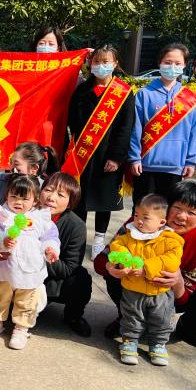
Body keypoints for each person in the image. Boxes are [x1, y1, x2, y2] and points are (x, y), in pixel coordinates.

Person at [96, 181, 196, 352]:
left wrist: (178, 282)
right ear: (166, 207)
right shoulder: (139, 223)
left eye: (191, 213)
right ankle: (127, 318)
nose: (182, 216)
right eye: (177, 208)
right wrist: (111, 267)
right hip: (133, 286)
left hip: (169, 295)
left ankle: (188, 329)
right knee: (114, 278)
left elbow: (183, 300)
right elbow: (100, 261)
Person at [64, 45, 135, 259]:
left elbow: (126, 128)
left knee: (104, 200)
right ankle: (78, 238)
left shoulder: (124, 92)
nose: (100, 66)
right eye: (96, 61)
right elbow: (73, 121)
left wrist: (117, 157)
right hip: (83, 154)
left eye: (106, 62)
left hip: (108, 156)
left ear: (115, 64)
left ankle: (99, 240)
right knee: (80, 199)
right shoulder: (82, 90)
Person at [0, 175, 60, 350]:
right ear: (6, 195)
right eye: (14, 196)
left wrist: (50, 249)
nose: (18, 202)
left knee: (27, 299)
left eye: (25, 198)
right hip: (5, 267)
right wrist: (2, 240)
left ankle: (21, 328)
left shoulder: (41, 218)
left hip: (31, 269)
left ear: (35, 199)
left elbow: (50, 237)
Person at [108, 194, 183, 366]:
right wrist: (124, 260)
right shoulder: (129, 235)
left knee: (161, 318)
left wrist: (146, 268)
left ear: (161, 222)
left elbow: (172, 259)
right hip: (133, 289)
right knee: (131, 317)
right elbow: (116, 246)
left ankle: (158, 344)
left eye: (146, 217)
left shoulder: (171, 240)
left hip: (160, 292)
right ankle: (129, 341)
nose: (139, 221)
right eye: (136, 215)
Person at [128, 43, 196, 207]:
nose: (172, 67)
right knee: (142, 210)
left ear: (184, 65)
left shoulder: (190, 99)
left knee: (168, 211)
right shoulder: (144, 94)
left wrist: (191, 161)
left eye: (177, 63)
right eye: (167, 62)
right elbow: (135, 130)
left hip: (175, 167)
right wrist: (134, 158)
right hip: (145, 166)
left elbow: (194, 134)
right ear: (159, 63)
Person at [40, 173, 93, 337]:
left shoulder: (76, 226)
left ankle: (73, 317)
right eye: (48, 190)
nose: (51, 198)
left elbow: (69, 267)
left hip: (51, 277)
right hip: (20, 272)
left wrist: (42, 256)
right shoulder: (26, 213)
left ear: (70, 202)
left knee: (81, 279)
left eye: (60, 195)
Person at [0, 141, 59, 207]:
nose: (11, 168)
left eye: (16, 164)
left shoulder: (44, 189)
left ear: (34, 168)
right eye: (11, 162)